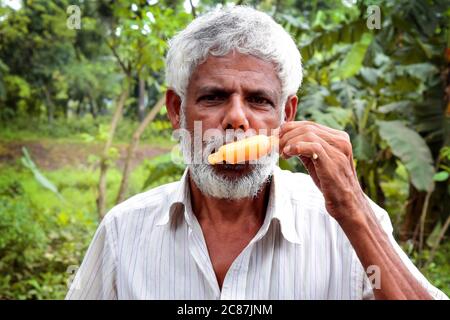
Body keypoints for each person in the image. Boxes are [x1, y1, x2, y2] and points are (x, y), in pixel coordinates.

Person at [66, 6, 448, 300]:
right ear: (176, 111)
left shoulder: (345, 224)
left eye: (259, 100)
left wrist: (353, 210)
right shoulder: (124, 231)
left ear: (287, 115)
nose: (236, 119)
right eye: (213, 97)